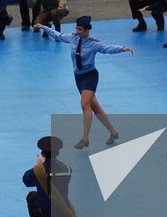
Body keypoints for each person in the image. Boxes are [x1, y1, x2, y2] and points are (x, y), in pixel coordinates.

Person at [40, 15, 133, 148]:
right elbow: (58, 35)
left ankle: (85, 139)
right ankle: (113, 132)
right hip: (78, 77)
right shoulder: (72, 38)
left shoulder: (93, 44)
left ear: (87, 30)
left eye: (80, 30)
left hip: (90, 76)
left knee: (85, 105)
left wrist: (122, 48)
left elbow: (107, 49)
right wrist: (44, 27)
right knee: (95, 108)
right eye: (76, 29)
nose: (77, 31)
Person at [25, 136, 79, 217]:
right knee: (63, 199)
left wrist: (38, 165)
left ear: (42, 154)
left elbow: (26, 181)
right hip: (62, 215)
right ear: (58, 152)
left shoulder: (38, 170)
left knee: (32, 196)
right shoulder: (68, 168)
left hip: (44, 215)